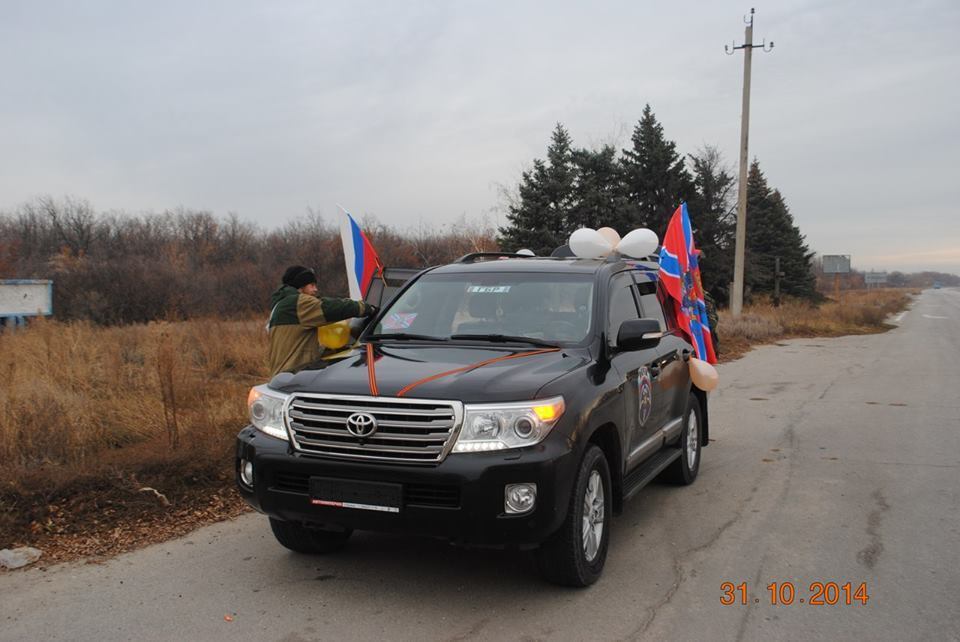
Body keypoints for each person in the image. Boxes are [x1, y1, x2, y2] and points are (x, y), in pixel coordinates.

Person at [267, 265, 376, 376]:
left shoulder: (281, 306)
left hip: (283, 376)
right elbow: (332, 308)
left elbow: (299, 346)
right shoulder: (298, 303)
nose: (316, 289)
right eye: (312, 285)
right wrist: (366, 308)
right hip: (293, 376)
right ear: (300, 286)